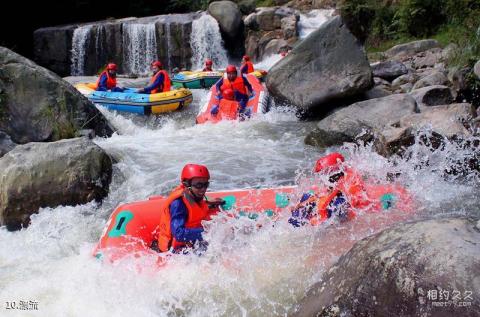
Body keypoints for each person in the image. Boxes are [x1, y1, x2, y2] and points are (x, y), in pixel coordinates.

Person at [157, 164, 225, 253]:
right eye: (199, 185)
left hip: (191, 242)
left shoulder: (195, 196)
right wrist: (207, 231)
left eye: (206, 184)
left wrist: (209, 204)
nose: (203, 189)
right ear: (186, 185)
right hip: (175, 250)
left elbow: (195, 208)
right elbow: (178, 234)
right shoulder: (178, 204)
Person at [289, 153, 357, 227]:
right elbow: (324, 196)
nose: (322, 178)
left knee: (337, 206)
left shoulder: (342, 195)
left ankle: (296, 223)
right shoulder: (338, 183)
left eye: (323, 174)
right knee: (306, 196)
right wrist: (302, 204)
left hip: (332, 217)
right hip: (329, 209)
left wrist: (312, 220)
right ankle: (297, 220)